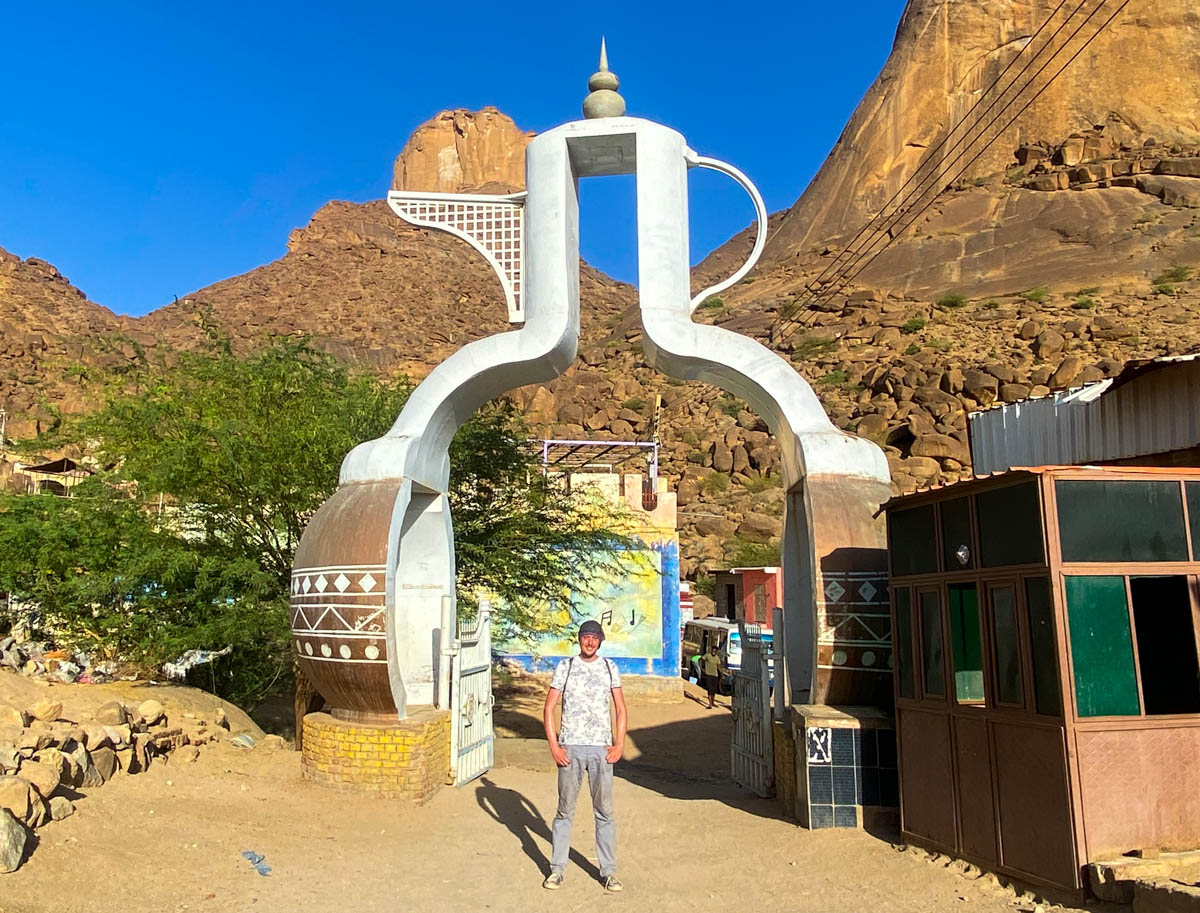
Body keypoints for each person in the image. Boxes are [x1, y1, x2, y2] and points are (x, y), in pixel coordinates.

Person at [542, 619, 627, 893]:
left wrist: (619, 744)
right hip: (571, 747)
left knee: (604, 812)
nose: (589, 641)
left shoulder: (608, 667)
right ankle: (557, 869)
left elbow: (621, 709)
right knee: (564, 811)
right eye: (585, 637)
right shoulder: (566, 667)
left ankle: (609, 872)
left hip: (601, 749)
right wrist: (555, 746)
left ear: (600, 640)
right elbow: (549, 708)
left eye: (594, 637)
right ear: (579, 640)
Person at [699, 641, 722, 709]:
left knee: (714, 690)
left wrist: (721, 673)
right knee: (709, 689)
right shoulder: (707, 655)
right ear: (711, 650)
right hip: (708, 674)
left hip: (715, 675)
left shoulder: (717, 658)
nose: (714, 652)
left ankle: (712, 702)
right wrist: (701, 668)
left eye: (715, 651)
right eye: (713, 650)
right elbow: (700, 660)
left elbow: (718, 666)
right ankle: (710, 704)